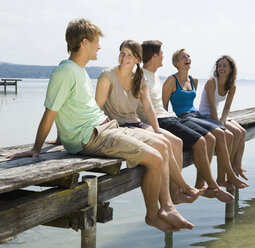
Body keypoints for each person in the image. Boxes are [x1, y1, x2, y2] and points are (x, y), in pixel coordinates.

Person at [7, 19, 192, 233]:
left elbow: (69, 109)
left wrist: (60, 137)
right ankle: (153, 214)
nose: (100, 47)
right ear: (85, 42)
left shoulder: (79, 70)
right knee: (156, 157)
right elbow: (51, 111)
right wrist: (36, 149)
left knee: (163, 144)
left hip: (107, 127)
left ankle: (167, 206)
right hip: (93, 136)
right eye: (96, 42)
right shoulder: (65, 72)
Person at [95, 39, 204, 205]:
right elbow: (97, 108)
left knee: (176, 142)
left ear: (138, 59)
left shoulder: (140, 78)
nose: (124, 58)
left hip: (136, 122)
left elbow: (148, 107)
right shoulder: (108, 76)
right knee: (164, 144)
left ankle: (175, 192)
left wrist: (157, 129)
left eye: (130, 55)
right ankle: (184, 187)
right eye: (122, 54)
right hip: (120, 126)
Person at [139, 40, 234, 203]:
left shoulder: (155, 75)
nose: (164, 56)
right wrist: (155, 128)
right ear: (155, 56)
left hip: (170, 117)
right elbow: (152, 106)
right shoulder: (142, 77)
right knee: (200, 141)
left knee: (212, 137)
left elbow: (160, 106)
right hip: (163, 120)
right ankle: (212, 185)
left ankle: (202, 184)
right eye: (162, 53)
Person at [162, 48, 248, 190]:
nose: (187, 58)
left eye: (188, 56)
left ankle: (221, 178)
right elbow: (164, 107)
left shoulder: (193, 80)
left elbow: (193, 104)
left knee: (228, 135)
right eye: (183, 57)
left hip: (196, 115)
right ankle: (230, 175)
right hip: (182, 117)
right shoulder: (172, 80)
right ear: (176, 62)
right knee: (220, 133)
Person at [199, 55, 248, 180]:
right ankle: (228, 171)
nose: (221, 68)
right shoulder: (212, 82)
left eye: (224, 66)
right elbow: (211, 106)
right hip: (205, 115)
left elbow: (226, 108)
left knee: (242, 132)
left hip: (218, 114)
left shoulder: (232, 86)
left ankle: (236, 165)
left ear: (231, 69)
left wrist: (223, 120)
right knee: (235, 132)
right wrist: (219, 124)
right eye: (219, 66)